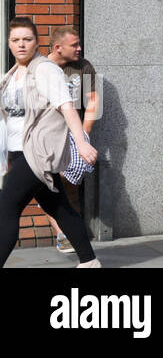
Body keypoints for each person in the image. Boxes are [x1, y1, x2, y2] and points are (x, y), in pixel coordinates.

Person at [0, 16, 100, 267]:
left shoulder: (45, 69)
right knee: (59, 207)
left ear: (37, 42)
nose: (21, 44)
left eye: (27, 39)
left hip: (37, 152)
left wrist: (81, 142)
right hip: (16, 151)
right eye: (15, 40)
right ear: (9, 43)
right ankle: (90, 262)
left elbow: (67, 107)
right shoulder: (11, 75)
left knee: (6, 208)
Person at [44, 26, 99, 253]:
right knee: (45, 182)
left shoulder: (83, 66)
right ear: (58, 48)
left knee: (69, 181)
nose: (79, 48)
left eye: (78, 44)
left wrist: (82, 137)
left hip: (74, 133)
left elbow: (94, 102)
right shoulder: (40, 68)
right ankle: (61, 233)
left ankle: (68, 230)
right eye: (74, 45)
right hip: (45, 134)